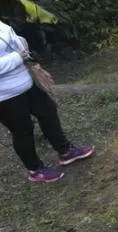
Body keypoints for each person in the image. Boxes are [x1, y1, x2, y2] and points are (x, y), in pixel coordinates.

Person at [0, 21, 93, 183]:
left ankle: (65, 151)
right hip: (6, 96)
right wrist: (17, 57)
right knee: (23, 130)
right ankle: (35, 169)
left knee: (48, 111)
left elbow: (9, 38)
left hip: (27, 82)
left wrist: (21, 41)